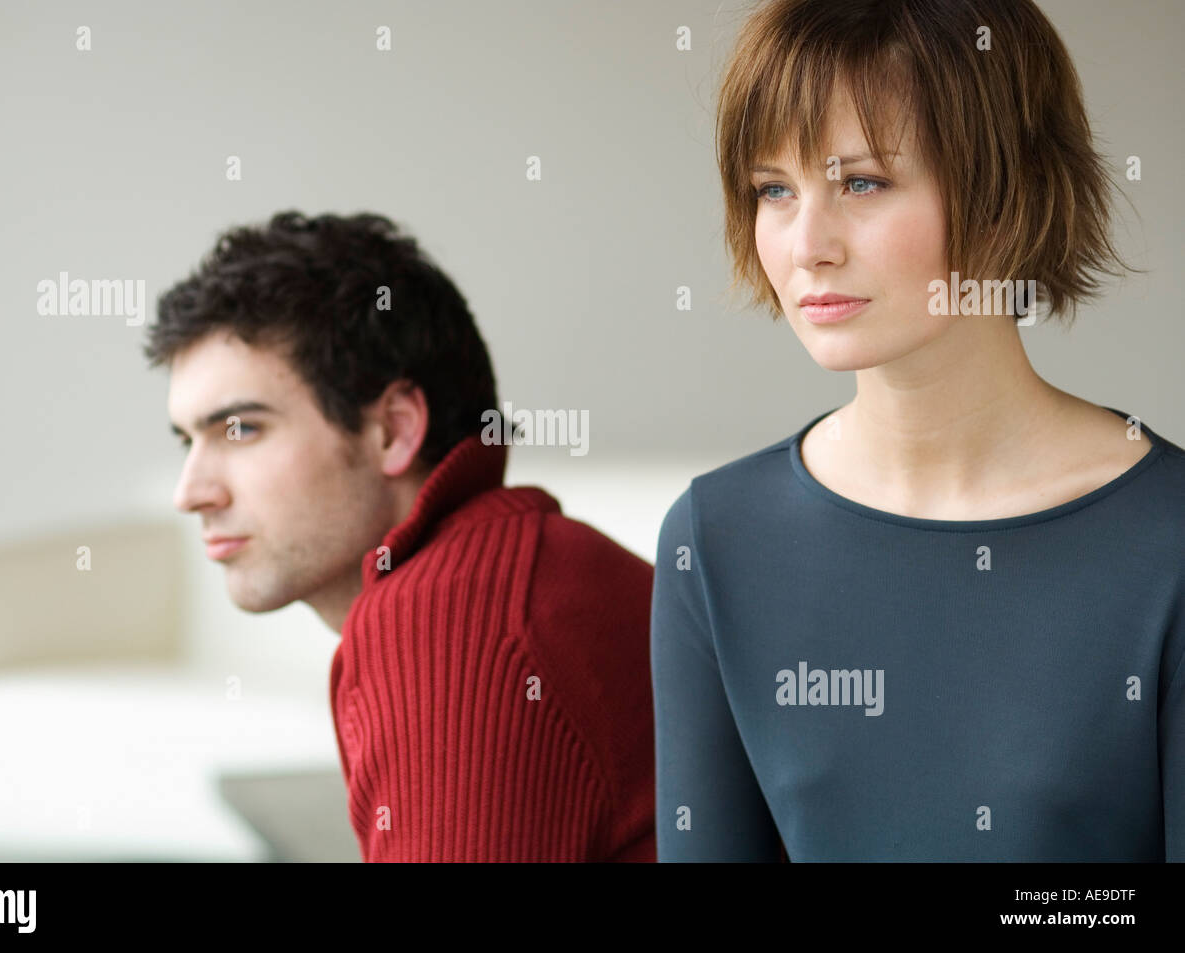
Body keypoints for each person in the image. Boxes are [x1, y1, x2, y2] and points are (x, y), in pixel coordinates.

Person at [652, 0, 1183, 861]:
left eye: (862, 182)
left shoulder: (1168, 539)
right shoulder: (715, 540)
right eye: (774, 190)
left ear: (1006, 185)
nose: (807, 245)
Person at [146, 211, 655, 861]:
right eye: (188, 441)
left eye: (240, 429)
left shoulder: (450, 615)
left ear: (393, 428)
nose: (190, 492)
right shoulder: (534, 563)